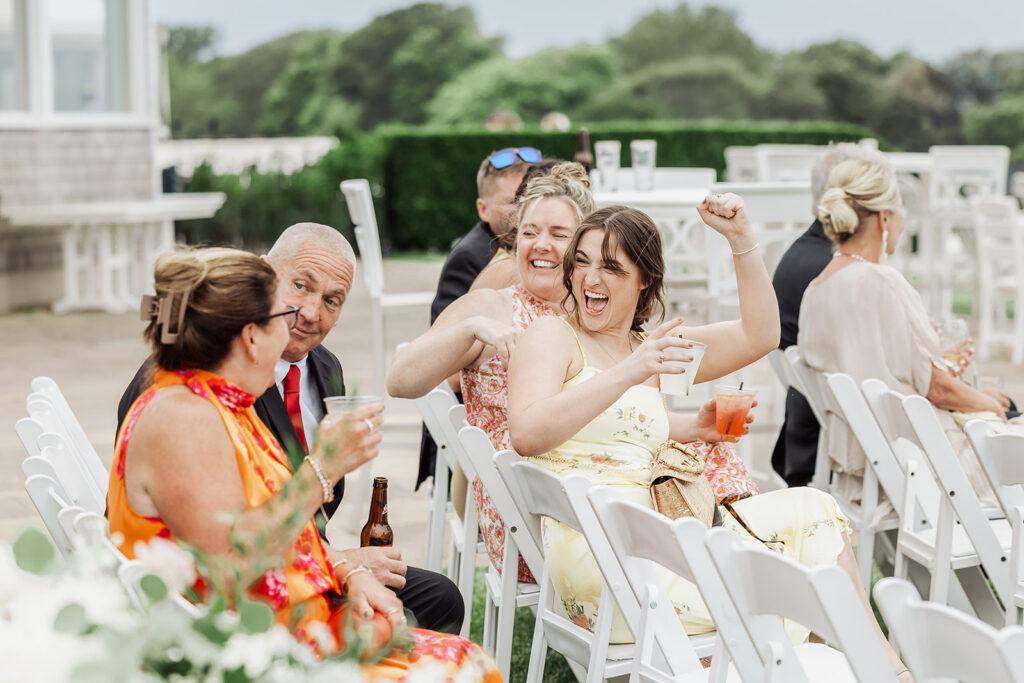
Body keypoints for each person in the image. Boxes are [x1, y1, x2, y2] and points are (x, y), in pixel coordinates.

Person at [505, 202, 910, 680]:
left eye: (612, 267)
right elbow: (527, 434)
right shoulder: (553, 335)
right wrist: (632, 371)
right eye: (583, 261)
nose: (590, 277)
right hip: (609, 564)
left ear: (644, 282)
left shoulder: (647, 347)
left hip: (658, 538)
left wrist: (741, 238)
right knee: (795, 585)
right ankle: (872, 672)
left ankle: (883, 669)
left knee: (815, 512)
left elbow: (760, 336)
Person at [108, 248, 498, 681]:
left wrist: (346, 571)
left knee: (455, 647)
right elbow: (232, 566)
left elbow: (264, 529)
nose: (299, 323)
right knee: (464, 666)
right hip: (247, 653)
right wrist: (323, 468)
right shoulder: (184, 416)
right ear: (253, 337)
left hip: (278, 631)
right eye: (285, 315)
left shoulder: (220, 405)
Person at [388, 164, 758, 584]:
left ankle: (752, 563)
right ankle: (738, 580)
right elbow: (401, 380)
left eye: (559, 235)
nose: (541, 246)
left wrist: (691, 424)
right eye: (528, 232)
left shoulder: (601, 315)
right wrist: (469, 331)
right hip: (531, 506)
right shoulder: (494, 306)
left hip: (605, 485)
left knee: (712, 455)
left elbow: (754, 338)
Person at [798, 156, 1017, 518]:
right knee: (1010, 420)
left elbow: (878, 368)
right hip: (929, 464)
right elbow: (939, 389)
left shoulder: (816, 289)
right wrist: (989, 404)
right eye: (901, 210)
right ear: (884, 217)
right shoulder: (882, 281)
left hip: (870, 464)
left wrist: (960, 381)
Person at [415, 147, 541, 490]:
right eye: (513, 201)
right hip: (471, 443)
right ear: (482, 209)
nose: (524, 210)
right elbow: (451, 375)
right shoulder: (476, 260)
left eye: (530, 197)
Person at [771, 143, 888, 487]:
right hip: (839, 450)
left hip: (806, 437)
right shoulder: (840, 272)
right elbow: (876, 377)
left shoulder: (804, 254)